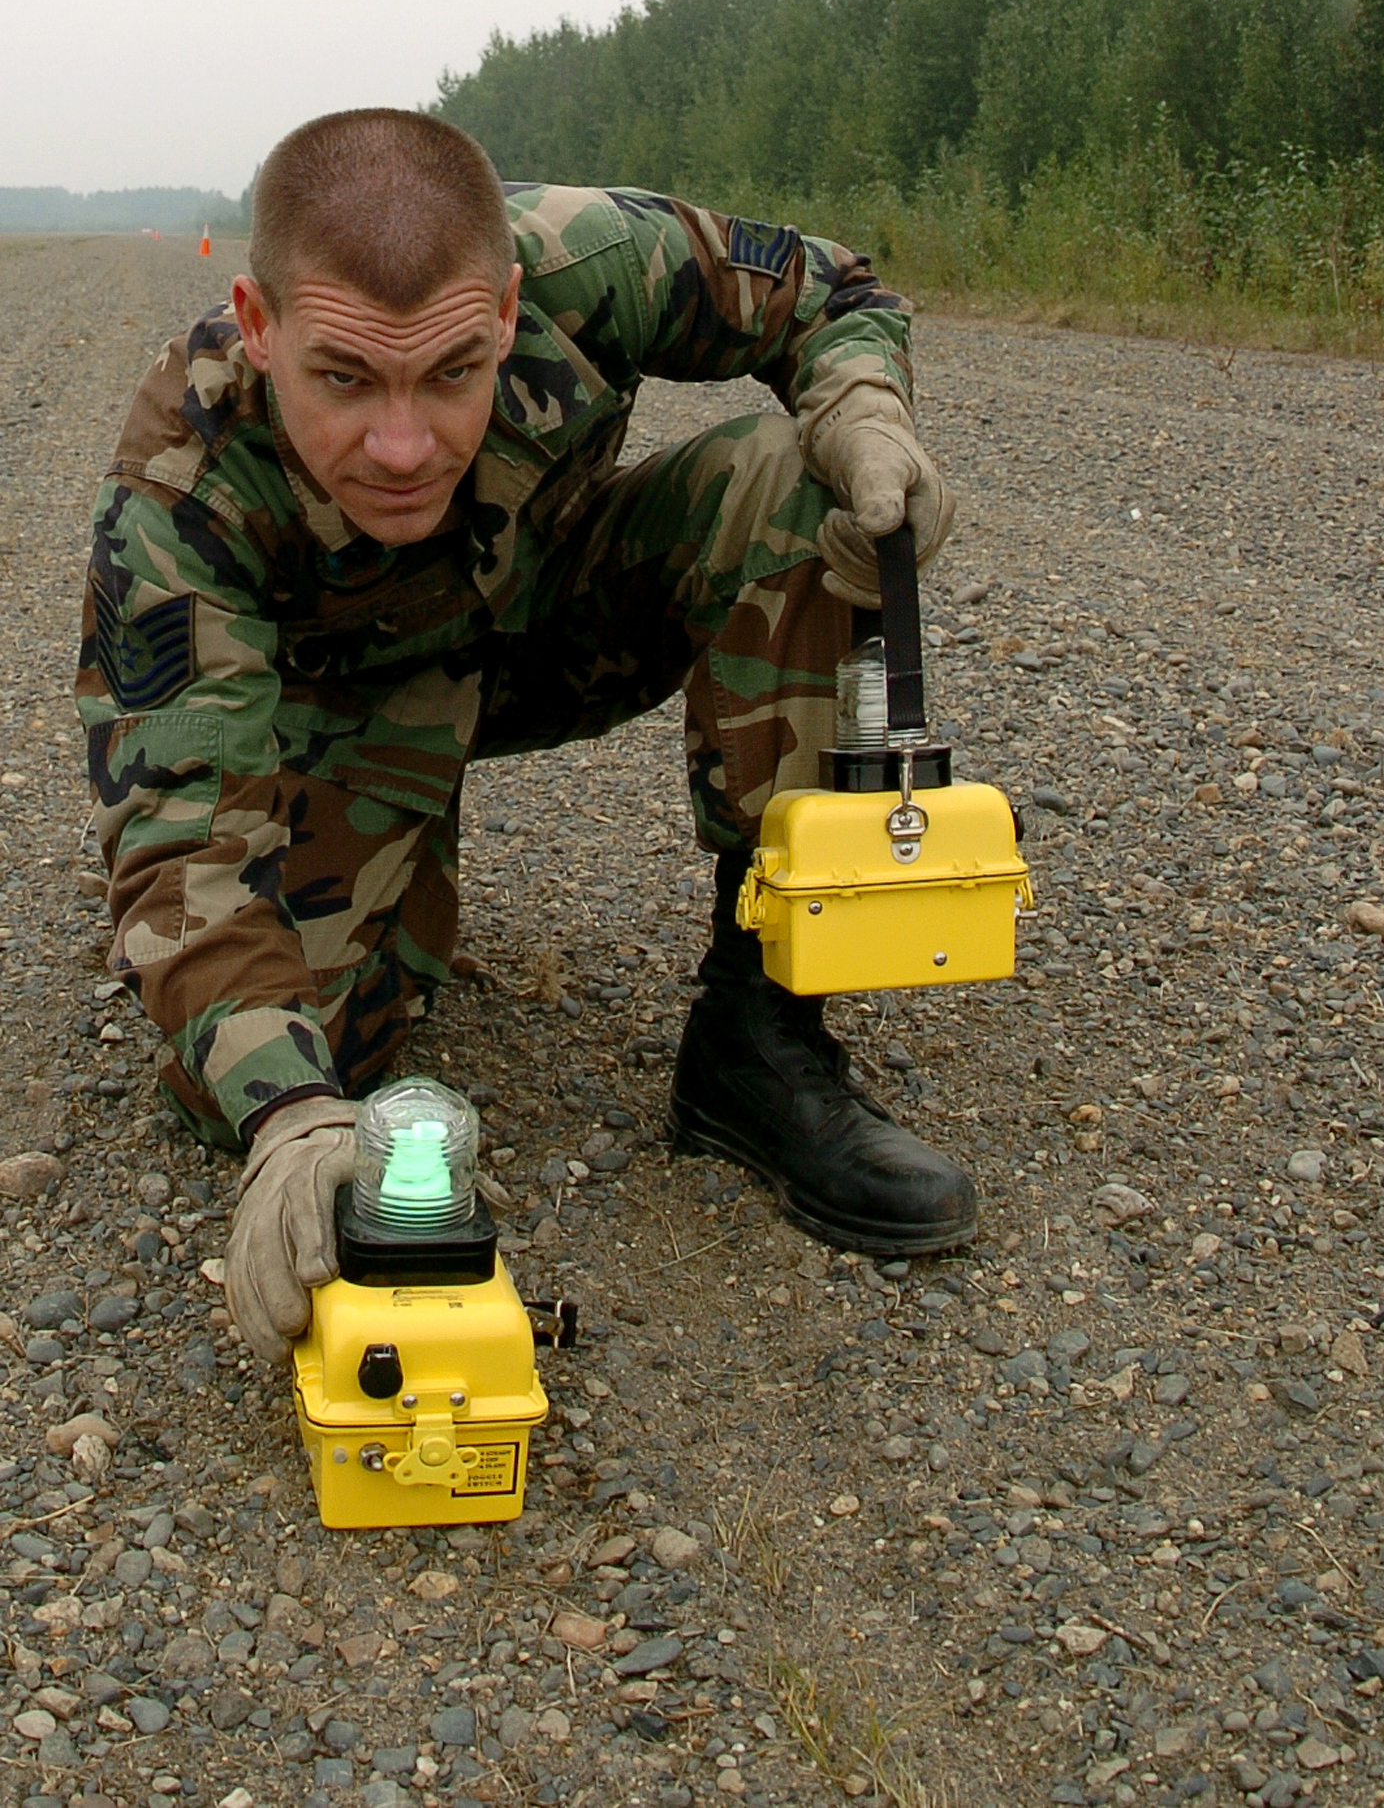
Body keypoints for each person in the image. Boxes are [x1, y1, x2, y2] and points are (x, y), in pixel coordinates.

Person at [76, 108, 976, 1363]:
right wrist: (285, 1114)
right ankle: (383, 886)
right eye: (344, 378)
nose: (403, 446)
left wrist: (865, 408)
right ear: (261, 322)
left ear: (505, 311)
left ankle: (762, 1036)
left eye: (454, 372)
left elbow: (828, 290)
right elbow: (180, 847)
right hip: (341, 714)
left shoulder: (587, 259)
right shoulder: (184, 479)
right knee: (295, 1072)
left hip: (547, 620)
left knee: (800, 477)